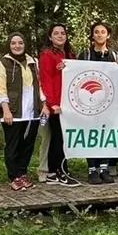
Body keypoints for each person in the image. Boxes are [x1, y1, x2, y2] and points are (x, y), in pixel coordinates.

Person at [0, 32, 41, 192]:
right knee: (13, 145)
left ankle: (22, 173)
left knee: (28, 145)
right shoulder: (2, 63)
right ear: (9, 45)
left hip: (32, 111)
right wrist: (5, 109)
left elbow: (39, 85)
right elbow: (0, 88)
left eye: (20, 43)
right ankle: (13, 176)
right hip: (13, 111)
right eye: (13, 43)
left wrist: (43, 105)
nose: (17, 46)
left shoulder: (33, 62)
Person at [39, 23, 80, 187]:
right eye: (56, 33)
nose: (60, 36)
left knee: (64, 137)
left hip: (69, 103)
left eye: (63, 33)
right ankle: (54, 171)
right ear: (50, 37)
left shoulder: (70, 54)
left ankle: (63, 168)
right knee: (57, 138)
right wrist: (52, 103)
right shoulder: (47, 55)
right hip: (56, 104)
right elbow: (45, 79)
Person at [81, 21, 118, 184]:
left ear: (108, 35)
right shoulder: (85, 54)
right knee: (91, 135)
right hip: (89, 101)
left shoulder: (114, 55)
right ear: (92, 35)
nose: (99, 35)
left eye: (103, 32)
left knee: (106, 134)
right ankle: (92, 170)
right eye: (96, 32)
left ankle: (104, 167)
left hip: (109, 103)